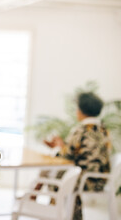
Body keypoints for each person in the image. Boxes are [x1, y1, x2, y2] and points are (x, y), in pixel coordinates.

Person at [42, 91, 111, 220]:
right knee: (58, 175)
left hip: (86, 180)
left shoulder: (81, 130)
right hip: (101, 179)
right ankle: (70, 215)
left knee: (55, 179)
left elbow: (67, 155)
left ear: (81, 111)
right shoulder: (103, 129)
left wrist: (57, 147)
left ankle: (53, 214)